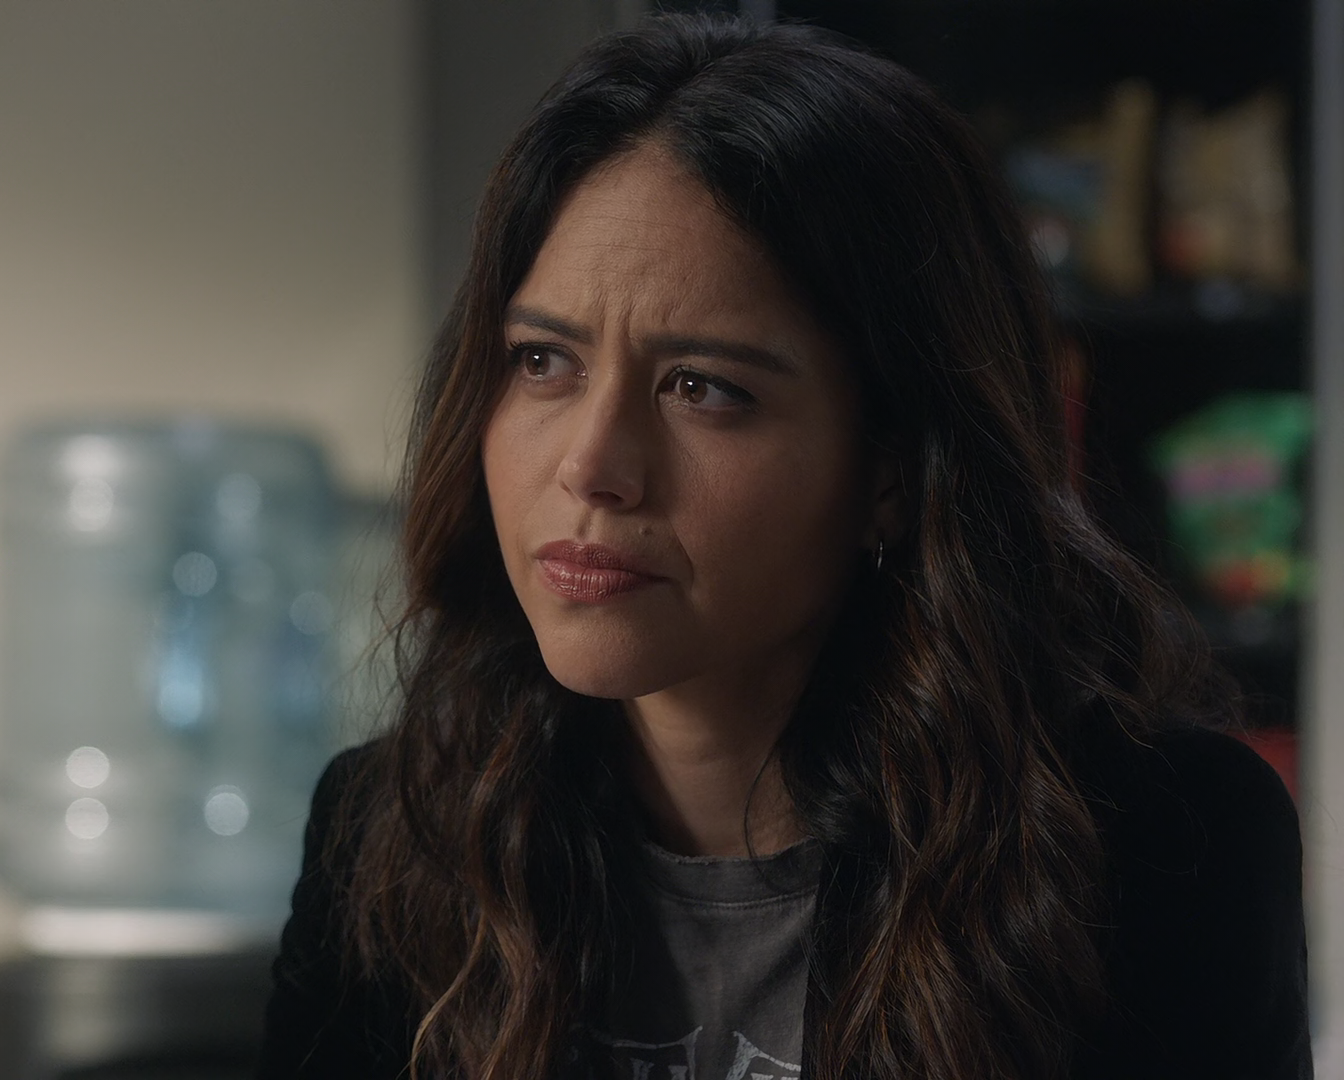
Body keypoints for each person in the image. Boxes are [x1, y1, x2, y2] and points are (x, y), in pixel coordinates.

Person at [256, 14, 1309, 1080]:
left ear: (893, 469)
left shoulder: (1162, 848)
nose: (591, 465)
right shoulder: (391, 834)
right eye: (542, 361)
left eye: (703, 388)